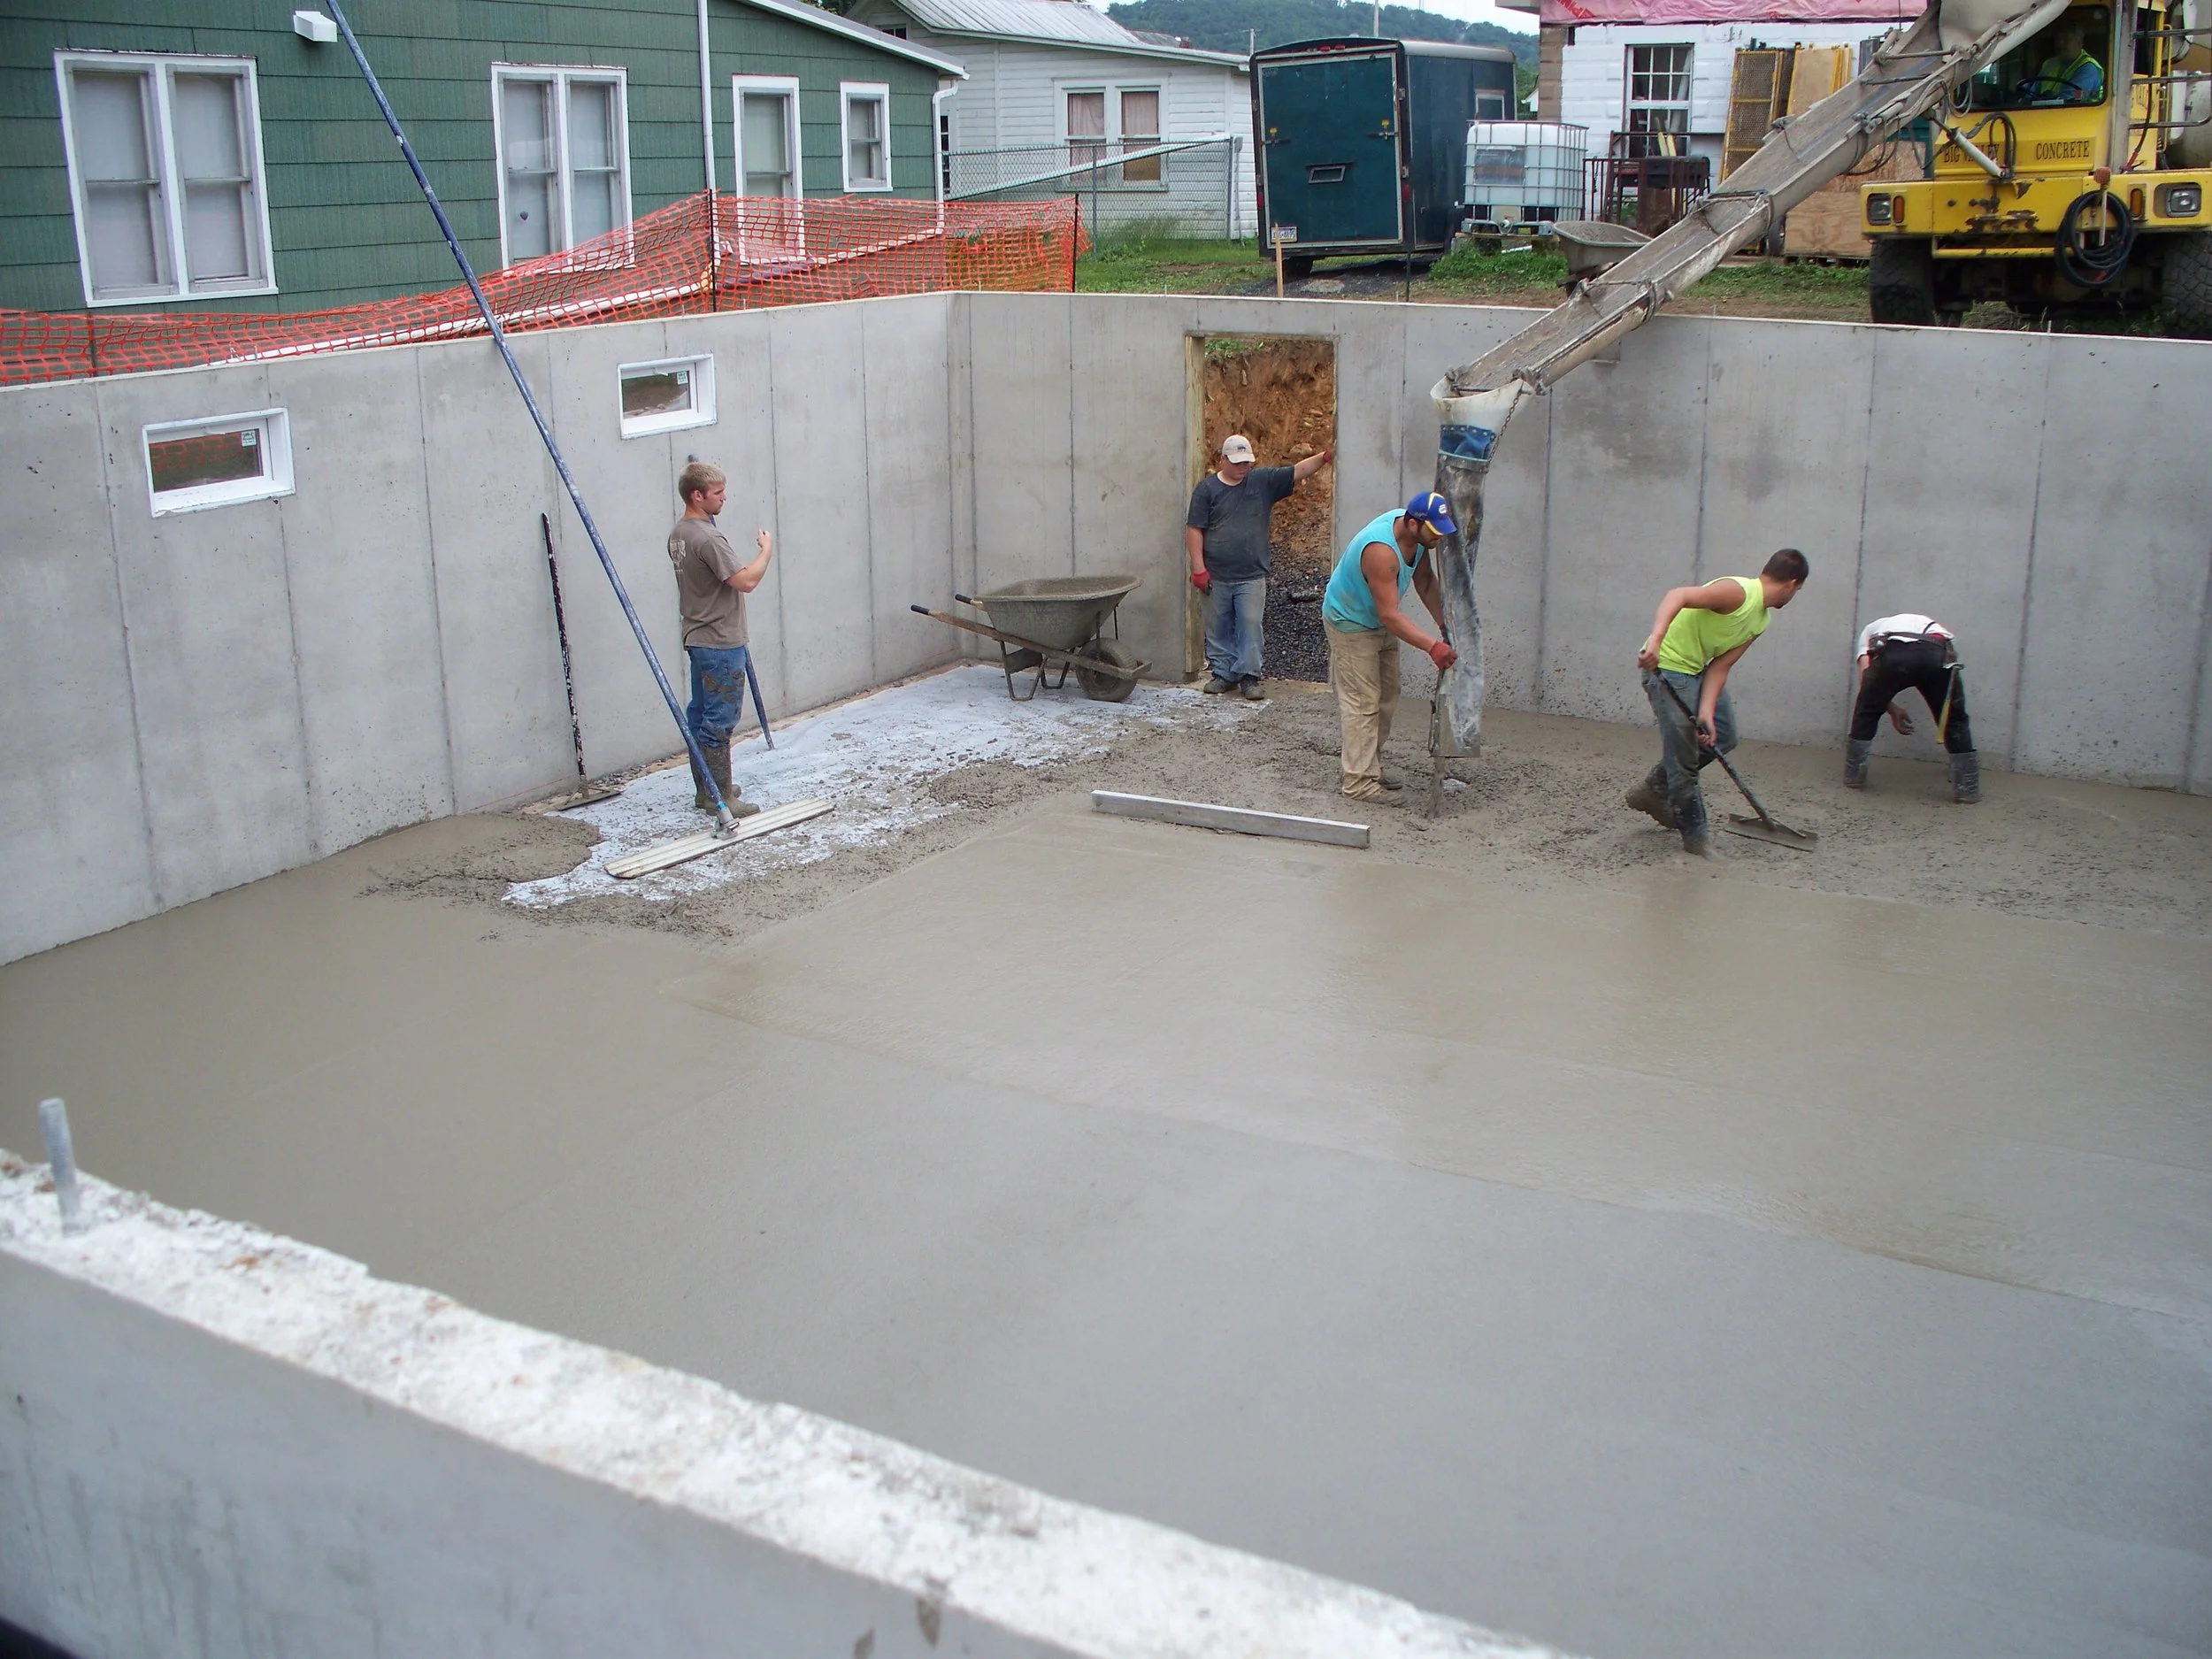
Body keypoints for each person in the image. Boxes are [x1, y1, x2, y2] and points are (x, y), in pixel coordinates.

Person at [1624, 549, 1809, 855]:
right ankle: (1696, 840)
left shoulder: (1760, 619)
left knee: (1722, 735)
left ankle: (1656, 789)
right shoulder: (1738, 592)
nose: (1794, 596)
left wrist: (1707, 713)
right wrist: (1656, 640)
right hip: (1668, 668)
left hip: (1697, 672)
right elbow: (1677, 595)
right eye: (1798, 590)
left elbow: (1720, 666)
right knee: (1683, 761)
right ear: (1792, 584)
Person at [1319, 491, 1460, 802]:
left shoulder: (1418, 538)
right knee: (1362, 702)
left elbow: (1424, 582)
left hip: (1378, 620)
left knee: (1386, 695)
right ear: (1412, 524)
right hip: (1351, 623)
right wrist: (1433, 647)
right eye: (1434, 531)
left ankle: (1370, 767)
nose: (1439, 537)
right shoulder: (1381, 552)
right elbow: (1390, 614)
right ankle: (1358, 783)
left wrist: (1444, 625)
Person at [1186, 434, 1333, 700]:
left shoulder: (1262, 481)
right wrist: (1198, 568)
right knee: (1218, 626)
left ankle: (1250, 676)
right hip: (1216, 575)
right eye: (1237, 462)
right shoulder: (1207, 490)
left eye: (1246, 462)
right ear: (1223, 460)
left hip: (1251, 574)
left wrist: (1324, 458)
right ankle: (1223, 674)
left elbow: (1297, 471)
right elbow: (1195, 528)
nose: (1243, 467)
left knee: (1250, 624)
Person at [667, 461, 772, 818]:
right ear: (697, 495)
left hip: (698, 636)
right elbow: (745, 581)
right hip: (720, 641)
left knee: (700, 715)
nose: (725, 498)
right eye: (718, 493)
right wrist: (766, 550)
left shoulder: (680, 533)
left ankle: (709, 787)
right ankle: (719, 796)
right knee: (719, 719)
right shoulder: (708, 538)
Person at [1847, 612, 1980, 802]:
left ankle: (1854, 775)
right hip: (1937, 651)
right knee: (1954, 719)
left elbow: (1866, 679)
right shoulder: (1926, 623)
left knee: (1866, 710)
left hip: (1894, 653)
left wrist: (1892, 710)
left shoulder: (1869, 632)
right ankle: (1967, 787)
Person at [2029, 20, 2103, 103]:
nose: (2060, 43)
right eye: (2058, 39)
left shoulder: (2088, 68)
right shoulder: (2049, 63)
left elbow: (2071, 99)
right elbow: (2032, 91)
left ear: (2080, 43)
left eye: (2066, 39)